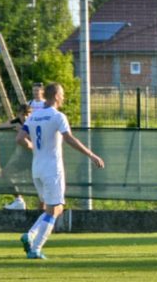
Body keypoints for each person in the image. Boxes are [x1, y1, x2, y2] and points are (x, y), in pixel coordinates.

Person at [15, 83, 106, 260]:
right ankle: (35, 246)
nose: (63, 97)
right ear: (56, 96)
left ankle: (31, 236)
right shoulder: (58, 116)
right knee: (55, 210)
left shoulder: (33, 117)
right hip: (52, 169)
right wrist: (91, 155)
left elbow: (19, 138)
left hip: (37, 168)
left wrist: (33, 147)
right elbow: (69, 138)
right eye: (62, 94)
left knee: (53, 209)